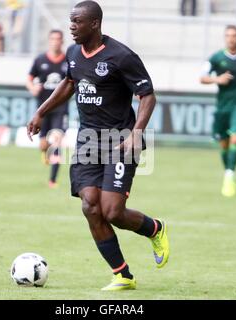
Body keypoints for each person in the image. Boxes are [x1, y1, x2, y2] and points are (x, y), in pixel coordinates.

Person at [27, 1, 169, 291]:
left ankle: (155, 228)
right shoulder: (73, 53)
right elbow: (69, 83)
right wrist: (41, 111)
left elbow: (148, 95)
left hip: (120, 141)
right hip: (88, 139)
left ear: (94, 24)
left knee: (113, 212)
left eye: (77, 21)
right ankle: (123, 275)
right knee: (90, 206)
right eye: (70, 21)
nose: (71, 26)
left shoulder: (121, 56)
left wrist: (135, 133)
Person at [200, 25, 236, 197]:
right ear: (225, 38)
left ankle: (230, 174)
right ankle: (228, 170)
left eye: (234, 35)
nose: (231, 38)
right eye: (228, 35)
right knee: (224, 143)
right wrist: (217, 79)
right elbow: (202, 78)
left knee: (235, 138)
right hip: (222, 106)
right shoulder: (216, 58)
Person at [26, 30, 68, 188]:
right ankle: (45, 152)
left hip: (61, 109)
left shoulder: (68, 60)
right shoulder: (40, 60)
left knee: (57, 141)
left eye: (58, 39)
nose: (55, 42)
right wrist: (32, 88)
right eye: (53, 39)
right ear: (49, 41)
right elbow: (29, 79)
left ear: (62, 41)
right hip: (43, 109)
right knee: (43, 144)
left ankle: (52, 180)